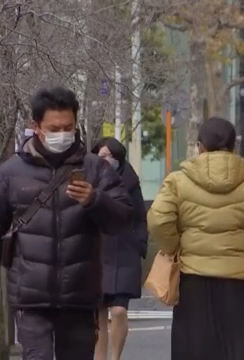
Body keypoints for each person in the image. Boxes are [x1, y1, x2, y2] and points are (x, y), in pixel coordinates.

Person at [0, 86, 134, 360]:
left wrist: (95, 200)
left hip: (80, 296)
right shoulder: (12, 172)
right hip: (30, 296)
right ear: (36, 126)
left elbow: (124, 220)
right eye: (54, 128)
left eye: (68, 127)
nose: (62, 134)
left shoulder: (95, 169)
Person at [147, 117, 244, 360]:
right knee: (238, 347)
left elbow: (158, 219)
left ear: (200, 146)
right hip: (237, 280)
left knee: (193, 348)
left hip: (192, 278)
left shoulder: (179, 180)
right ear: (233, 147)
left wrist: (175, 248)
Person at [92, 137, 148, 360]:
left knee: (119, 310)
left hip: (125, 251)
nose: (105, 160)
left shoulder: (130, 181)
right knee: (98, 314)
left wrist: (139, 243)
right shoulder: (90, 177)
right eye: (101, 156)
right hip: (97, 252)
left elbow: (140, 217)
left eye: (109, 156)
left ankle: (115, 357)